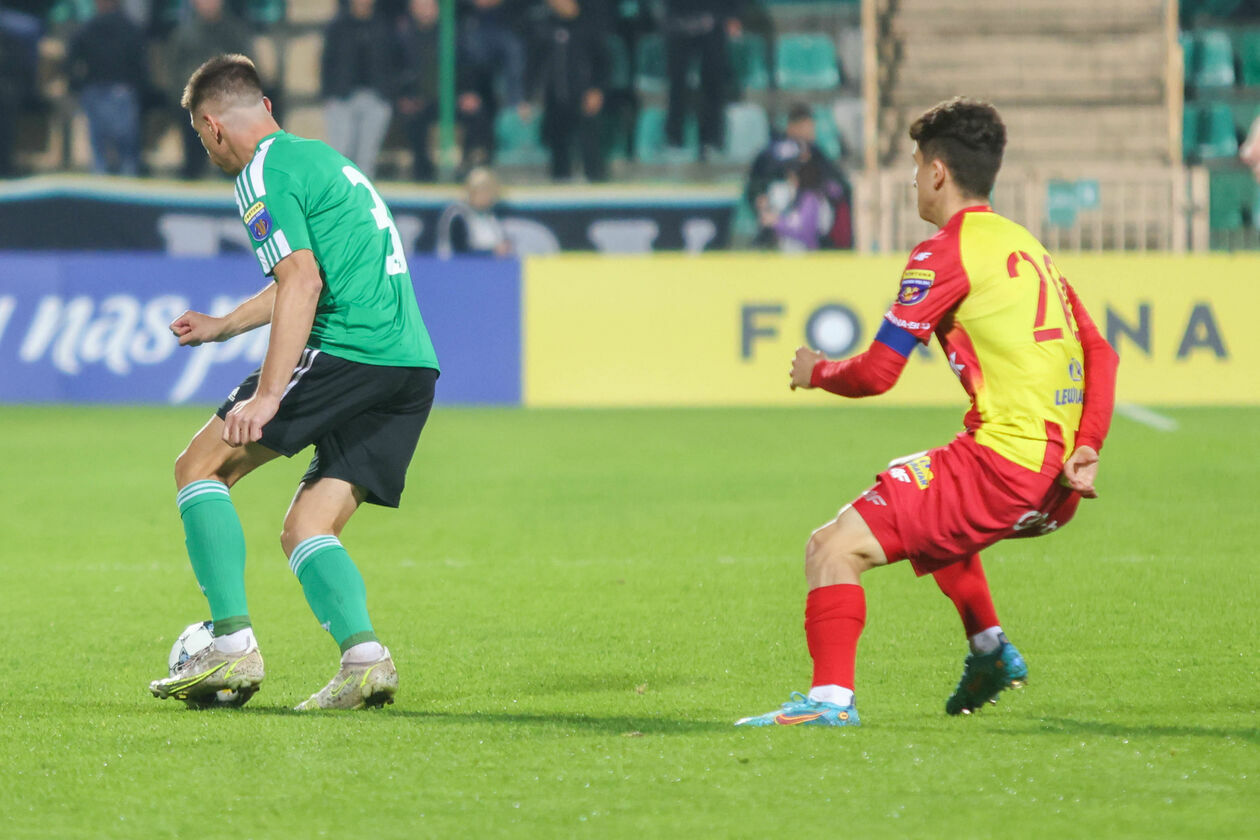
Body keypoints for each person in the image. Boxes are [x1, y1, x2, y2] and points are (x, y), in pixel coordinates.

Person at [736, 98, 1120, 727]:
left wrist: (817, 372)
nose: (913, 179)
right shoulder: (1026, 247)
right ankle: (990, 649)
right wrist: (1089, 444)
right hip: (1059, 484)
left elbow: (878, 373)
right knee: (923, 491)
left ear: (938, 172)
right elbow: (1100, 353)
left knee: (831, 548)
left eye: (916, 166)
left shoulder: (944, 252)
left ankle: (829, 702)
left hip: (1004, 471)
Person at [149, 54, 440, 711]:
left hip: (349, 350)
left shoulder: (259, 175)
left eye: (200, 137)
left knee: (199, 466)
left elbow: (302, 283)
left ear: (212, 126)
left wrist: (269, 396)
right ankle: (365, 662)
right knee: (308, 525)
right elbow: (311, 272)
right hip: (409, 364)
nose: (207, 150)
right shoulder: (321, 160)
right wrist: (225, 325)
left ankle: (229, 645)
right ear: (267, 106)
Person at [746, 102, 852, 249]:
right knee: (780, 193)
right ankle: (772, 237)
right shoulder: (773, 151)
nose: (810, 133)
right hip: (780, 205)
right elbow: (756, 181)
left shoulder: (814, 151)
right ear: (792, 127)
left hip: (810, 207)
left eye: (811, 128)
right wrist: (759, 197)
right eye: (805, 128)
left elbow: (835, 180)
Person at [166, 0, 253, 179]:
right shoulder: (184, 35)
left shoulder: (234, 32)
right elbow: (173, 72)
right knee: (193, 167)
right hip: (193, 113)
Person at [65, 0, 148, 175]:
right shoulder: (129, 27)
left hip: (106, 90)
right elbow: (140, 66)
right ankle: (124, 178)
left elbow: (71, 59)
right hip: (116, 91)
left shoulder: (90, 28)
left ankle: (104, 177)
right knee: (123, 147)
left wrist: (76, 84)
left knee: (102, 147)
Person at [533, 0, 608, 182]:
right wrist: (532, 94)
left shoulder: (590, 26)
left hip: (584, 97)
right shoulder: (544, 26)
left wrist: (597, 89)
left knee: (590, 146)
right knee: (558, 148)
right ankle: (560, 184)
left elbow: (604, 63)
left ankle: (595, 182)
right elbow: (535, 63)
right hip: (555, 98)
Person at [321, 0, 394, 179]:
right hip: (342, 97)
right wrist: (329, 94)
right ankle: (340, 193)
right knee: (341, 152)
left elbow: (392, 62)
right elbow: (327, 62)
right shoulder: (337, 27)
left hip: (376, 96)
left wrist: (388, 93)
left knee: (367, 157)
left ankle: (363, 193)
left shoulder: (384, 26)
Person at [395, 0, 440, 181]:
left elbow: (466, 66)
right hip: (416, 99)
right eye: (421, 6)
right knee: (415, 120)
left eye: (429, 6)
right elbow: (395, 70)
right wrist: (404, 96)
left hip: (447, 99)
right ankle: (423, 172)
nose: (425, 11)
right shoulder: (402, 36)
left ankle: (469, 168)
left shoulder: (451, 35)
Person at [435, 166, 511, 257]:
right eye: (482, 191)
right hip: (456, 264)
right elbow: (458, 251)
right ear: (471, 191)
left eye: (490, 192)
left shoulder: (490, 215)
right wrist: (491, 252)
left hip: (488, 264)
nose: (487, 196)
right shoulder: (457, 214)